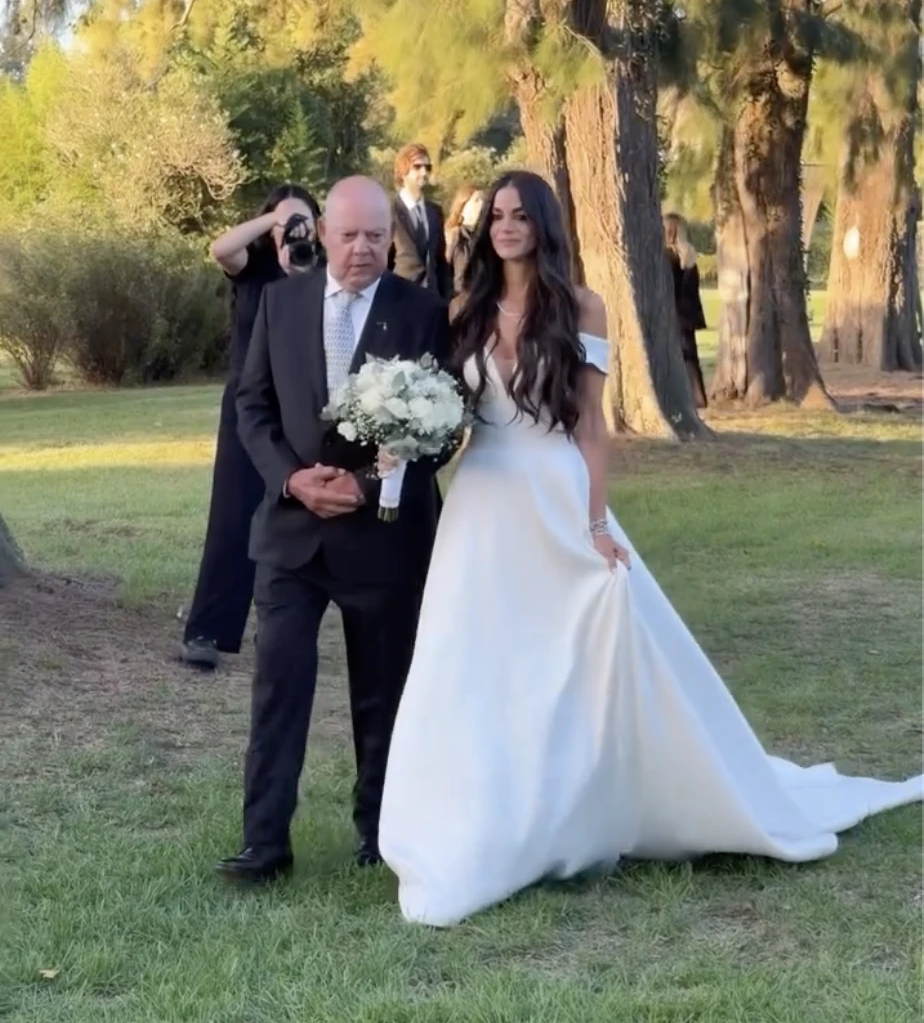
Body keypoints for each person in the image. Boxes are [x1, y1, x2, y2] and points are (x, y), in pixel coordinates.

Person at [378, 170, 923, 928]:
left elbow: (591, 426)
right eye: (496, 216)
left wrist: (597, 524)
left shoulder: (582, 307)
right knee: (476, 655)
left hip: (554, 493)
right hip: (480, 505)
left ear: (542, 225)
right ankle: (477, 811)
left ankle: (579, 803)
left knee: (577, 647)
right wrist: (405, 436)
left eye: (519, 216)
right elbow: (449, 413)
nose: (506, 227)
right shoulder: (462, 310)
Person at [217, 176, 450, 883]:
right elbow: (251, 407)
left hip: (381, 536)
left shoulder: (422, 312)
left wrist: (368, 483)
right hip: (291, 533)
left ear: (391, 237)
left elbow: (443, 428)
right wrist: (292, 478)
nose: (362, 250)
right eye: (348, 235)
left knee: (382, 690)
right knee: (279, 684)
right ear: (321, 234)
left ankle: (380, 833)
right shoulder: (280, 302)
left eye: (376, 236)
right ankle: (264, 844)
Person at [181, 185, 322, 670]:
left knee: (291, 518)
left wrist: (305, 248)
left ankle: (280, 629)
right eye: (286, 227)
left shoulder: (320, 278)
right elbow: (219, 247)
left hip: (301, 412)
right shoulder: (252, 269)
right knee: (232, 516)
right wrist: (278, 221)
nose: (295, 236)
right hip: (246, 409)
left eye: (305, 225)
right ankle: (207, 631)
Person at [389, 143, 453, 300]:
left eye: (427, 167)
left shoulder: (435, 212)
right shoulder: (389, 211)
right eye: (417, 167)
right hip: (400, 297)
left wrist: (447, 299)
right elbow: (382, 261)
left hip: (432, 298)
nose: (424, 173)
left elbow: (440, 260)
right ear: (403, 171)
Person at [664, 212, 708, 409]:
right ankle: (697, 396)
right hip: (688, 314)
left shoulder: (666, 257)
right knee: (691, 356)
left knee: (680, 355)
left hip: (674, 313)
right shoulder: (689, 254)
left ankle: (685, 397)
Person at [444, 183, 485, 294]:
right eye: (476, 200)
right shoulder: (453, 235)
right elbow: (443, 272)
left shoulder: (480, 238)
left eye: (482, 200)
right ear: (464, 205)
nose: (481, 205)